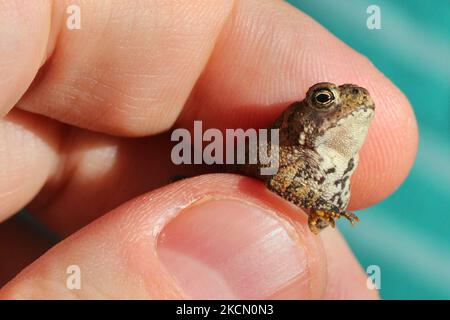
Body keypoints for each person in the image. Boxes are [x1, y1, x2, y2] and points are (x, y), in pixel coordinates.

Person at [0, 0, 417, 299]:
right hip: (243, 185)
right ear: (307, 118)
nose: (347, 105)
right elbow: (279, 175)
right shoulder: (292, 150)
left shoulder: (339, 150)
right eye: (326, 99)